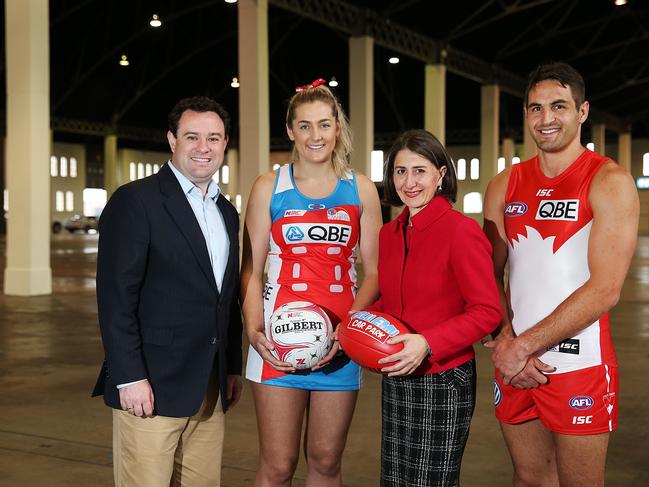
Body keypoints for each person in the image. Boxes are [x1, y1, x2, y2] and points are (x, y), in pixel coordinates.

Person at [483, 62, 640, 487]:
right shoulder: (505, 184)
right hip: (514, 362)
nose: (546, 119)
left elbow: (606, 289)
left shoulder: (608, 181)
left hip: (580, 363)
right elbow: (488, 276)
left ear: (582, 111)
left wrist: (523, 346)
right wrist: (505, 340)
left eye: (558, 106)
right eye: (535, 109)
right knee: (529, 478)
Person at [92, 96, 243, 486]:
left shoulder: (226, 211)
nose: (203, 147)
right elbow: (115, 299)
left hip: (208, 388)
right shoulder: (136, 201)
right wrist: (129, 377)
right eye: (192, 136)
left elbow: (224, 297)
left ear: (225, 144)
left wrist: (231, 367)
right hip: (151, 387)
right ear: (172, 140)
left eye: (213, 138)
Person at [241, 79, 382, 486]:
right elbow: (251, 268)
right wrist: (253, 330)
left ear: (338, 128)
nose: (315, 135)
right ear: (290, 130)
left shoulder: (361, 190)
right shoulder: (270, 186)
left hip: (341, 342)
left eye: (324, 124)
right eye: (304, 126)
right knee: (278, 465)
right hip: (278, 340)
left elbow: (373, 273)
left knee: (325, 462)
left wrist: (349, 327)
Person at [370, 129, 502, 487]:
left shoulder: (461, 231)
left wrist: (427, 342)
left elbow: (487, 310)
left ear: (441, 175)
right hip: (398, 373)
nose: (409, 182)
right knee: (395, 479)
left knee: (431, 482)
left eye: (420, 171)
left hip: (443, 377)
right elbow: (393, 299)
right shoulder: (390, 234)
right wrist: (358, 325)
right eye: (400, 171)